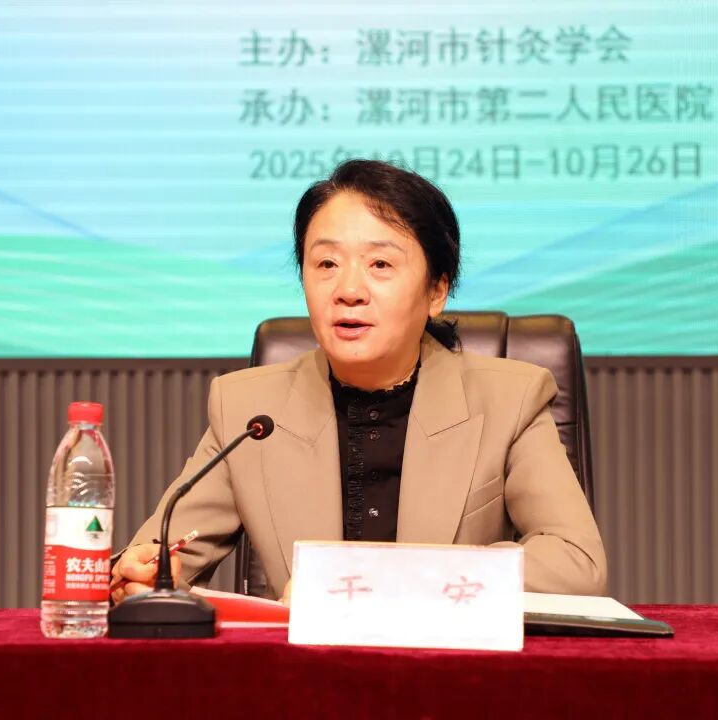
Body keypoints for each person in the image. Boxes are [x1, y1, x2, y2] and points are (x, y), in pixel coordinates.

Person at [110, 160, 607, 604]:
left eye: (380, 265)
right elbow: (159, 551)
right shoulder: (251, 409)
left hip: (451, 666)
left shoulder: (509, 399)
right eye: (326, 264)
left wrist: (389, 579)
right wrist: (140, 572)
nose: (348, 290)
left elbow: (575, 563)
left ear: (437, 291)